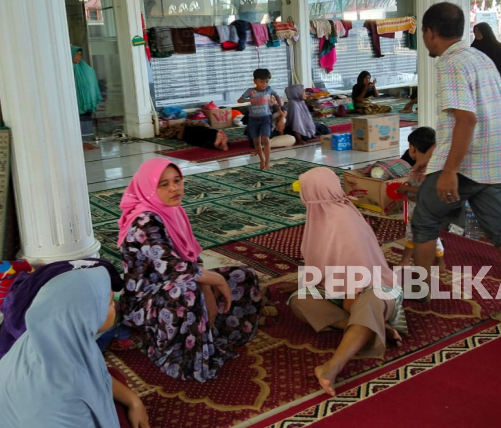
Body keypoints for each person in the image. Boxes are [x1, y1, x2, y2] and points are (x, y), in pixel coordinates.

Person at [410, 2, 501, 320]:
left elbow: (466, 120)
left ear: (430, 33)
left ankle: (420, 292)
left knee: (425, 220)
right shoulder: (478, 57)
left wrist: (449, 172)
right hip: (494, 156)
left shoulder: (451, 63)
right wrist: (430, 158)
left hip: (469, 161)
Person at [118, 158, 262, 381]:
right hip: (146, 300)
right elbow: (174, 268)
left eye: (177, 181)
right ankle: (181, 357)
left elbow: (192, 257)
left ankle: (212, 332)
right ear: (149, 188)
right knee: (187, 291)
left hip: (182, 282)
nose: (174, 188)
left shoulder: (174, 211)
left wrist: (208, 288)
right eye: (163, 184)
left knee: (244, 276)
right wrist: (216, 282)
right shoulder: (145, 220)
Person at [0, 266, 151, 428]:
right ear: (86, 315)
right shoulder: (62, 397)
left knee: (112, 378)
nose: (116, 306)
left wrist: (134, 402)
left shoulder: (48, 333)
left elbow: (97, 376)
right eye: (109, 302)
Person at [289, 168, 408, 397]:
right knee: (300, 299)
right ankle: (370, 328)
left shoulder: (343, 221)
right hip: (341, 291)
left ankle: (332, 366)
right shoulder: (320, 216)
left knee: (371, 302)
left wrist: (350, 300)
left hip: (373, 289)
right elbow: (320, 266)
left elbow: (359, 274)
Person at [397, 127, 445, 270]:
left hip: (424, 209)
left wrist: (406, 189)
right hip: (414, 208)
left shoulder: (428, 170)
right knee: (411, 234)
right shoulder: (417, 169)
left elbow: (426, 191)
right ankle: (405, 260)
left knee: (429, 236)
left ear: (412, 148)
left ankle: (440, 261)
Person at [238, 68, 284, 170]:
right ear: (254, 81)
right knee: (256, 142)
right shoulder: (250, 91)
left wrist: (280, 107)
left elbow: (276, 95)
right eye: (261, 81)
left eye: (266, 81)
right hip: (253, 119)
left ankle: (267, 162)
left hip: (265, 118)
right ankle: (262, 160)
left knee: (266, 139)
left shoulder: (269, 89)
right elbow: (240, 100)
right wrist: (250, 99)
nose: (264, 84)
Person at [159, 121, 229, 151]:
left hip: (191, 133)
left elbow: (179, 136)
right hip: (201, 130)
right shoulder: (178, 128)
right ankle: (220, 143)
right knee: (209, 133)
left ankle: (216, 144)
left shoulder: (180, 127)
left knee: (200, 140)